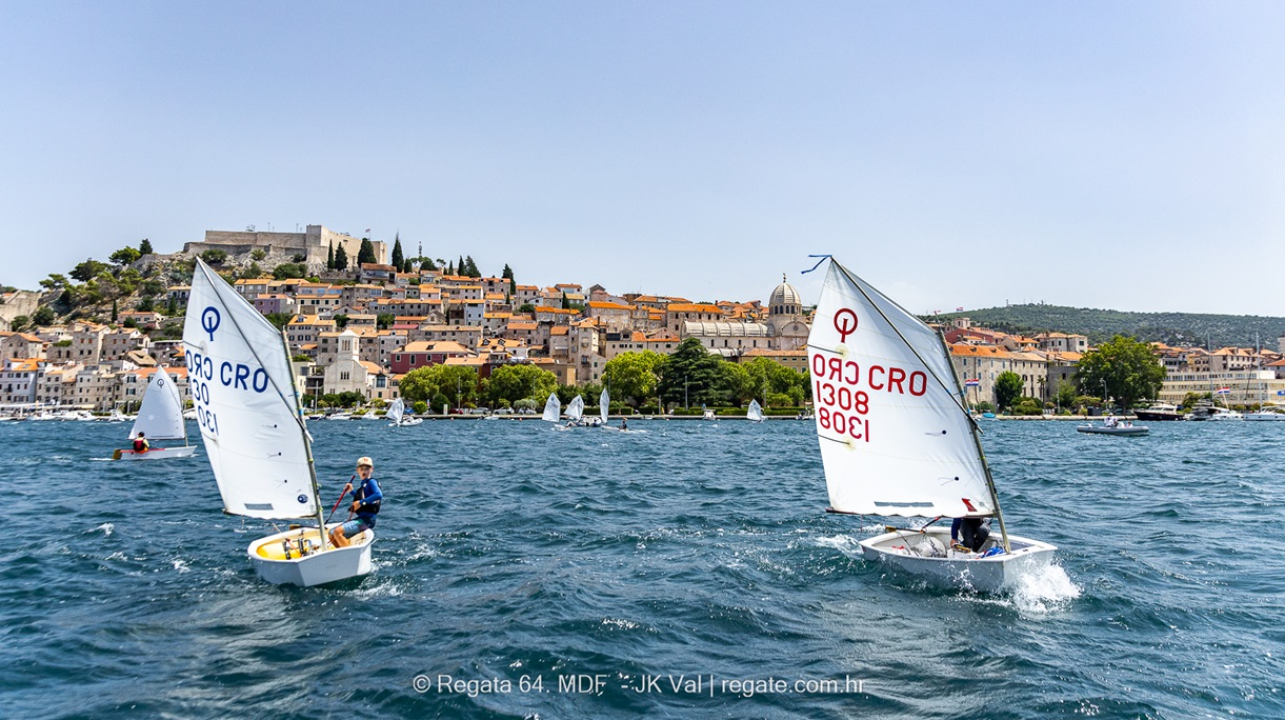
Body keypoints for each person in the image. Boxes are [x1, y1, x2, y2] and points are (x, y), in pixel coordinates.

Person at [329, 456, 382, 548]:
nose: (364, 471)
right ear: (357, 470)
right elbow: (362, 497)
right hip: (361, 518)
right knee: (331, 534)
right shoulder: (364, 484)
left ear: (372, 469)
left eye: (367, 468)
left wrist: (361, 503)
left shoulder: (371, 482)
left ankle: (348, 555)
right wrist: (351, 491)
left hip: (367, 520)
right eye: (361, 469)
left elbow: (378, 494)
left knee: (338, 532)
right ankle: (341, 553)